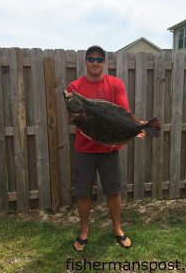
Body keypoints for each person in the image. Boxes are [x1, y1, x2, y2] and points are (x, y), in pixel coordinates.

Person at [66, 45, 146, 251]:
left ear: (104, 62)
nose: (95, 63)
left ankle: (117, 228)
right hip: (84, 149)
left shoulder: (115, 84)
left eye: (99, 59)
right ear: (85, 61)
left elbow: (123, 112)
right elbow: (73, 116)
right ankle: (84, 231)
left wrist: (135, 126)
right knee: (83, 192)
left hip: (109, 150)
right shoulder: (74, 88)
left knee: (113, 191)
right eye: (91, 59)